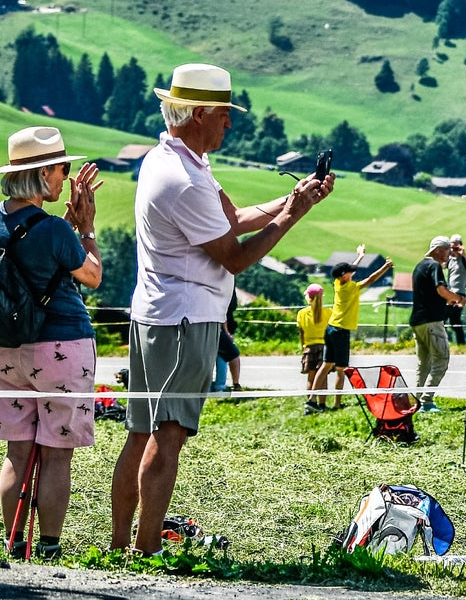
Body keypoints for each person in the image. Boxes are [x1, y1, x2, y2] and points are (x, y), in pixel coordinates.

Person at [111, 63, 334, 556]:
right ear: (200, 114)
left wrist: (293, 198)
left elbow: (229, 218)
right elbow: (235, 255)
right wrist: (293, 216)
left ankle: (120, 542)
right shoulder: (187, 179)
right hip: (186, 319)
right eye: (225, 115)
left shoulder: (167, 160)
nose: (229, 124)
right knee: (167, 436)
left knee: (140, 432)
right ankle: (145, 550)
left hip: (155, 311)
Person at [0, 127, 103, 560]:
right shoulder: (56, 229)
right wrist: (85, 229)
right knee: (56, 454)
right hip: (61, 347)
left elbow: (31, 249)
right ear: (43, 172)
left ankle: (14, 542)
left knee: (17, 451)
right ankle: (48, 547)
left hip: (5, 347)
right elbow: (91, 274)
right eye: (62, 169)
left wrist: (65, 227)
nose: (65, 176)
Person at [315, 247, 391, 410]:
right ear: (344, 275)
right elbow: (370, 279)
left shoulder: (338, 283)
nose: (353, 273)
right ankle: (337, 404)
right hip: (341, 330)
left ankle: (312, 399)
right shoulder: (351, 288)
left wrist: (360, 257)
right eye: (350, 272)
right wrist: (385, 267)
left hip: (331, 327)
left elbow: (349, 270)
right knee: (341, 369)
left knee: (326, 365)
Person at [410, 237, 463, 410]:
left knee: (423, 363)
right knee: (441, 359)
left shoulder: (419, 266)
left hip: (417, 321)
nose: (449, 254)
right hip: (432, 321)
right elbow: (441, 289)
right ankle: (427, 400)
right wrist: (457, 298)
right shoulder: (434, 266)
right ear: (439, 250)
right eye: (448, 250)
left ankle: (417, 399)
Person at [296, 283, 328, 413]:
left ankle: (310, 403)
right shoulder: (328, 312)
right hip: (324, 346)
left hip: (309, 347)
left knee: (311, 376)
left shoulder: (302, 313)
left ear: (308, 297)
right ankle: (322, 404)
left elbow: (301, 332)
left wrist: (303, 346)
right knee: (323, 376)